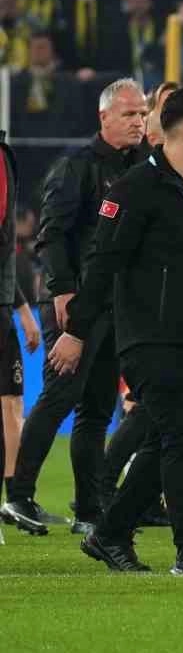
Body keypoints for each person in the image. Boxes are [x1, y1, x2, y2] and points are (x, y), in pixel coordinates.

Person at [74, 88, 183, 574]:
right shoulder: (136, 188)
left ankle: (110, 533)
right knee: (182, 439)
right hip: (154, 336)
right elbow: (103, 264)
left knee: (169, 438)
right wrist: (76, 330)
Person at [4, 79, 147, 536]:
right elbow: (52, 235)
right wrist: (64, 292)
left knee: (98, 408)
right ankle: (18, 496)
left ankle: (89, 510)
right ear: (104, 117)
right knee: (60, 395)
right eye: (129, 114)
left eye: (142, 115)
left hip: (115, 304)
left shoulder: (141, 167)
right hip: (74, 303)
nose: (138, 122)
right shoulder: (76, 166)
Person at [0, 123, 38, 545]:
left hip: (5, 304)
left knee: (11, 401)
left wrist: (23, 311)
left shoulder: (4, 155)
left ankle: (14, 496)